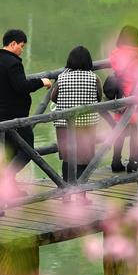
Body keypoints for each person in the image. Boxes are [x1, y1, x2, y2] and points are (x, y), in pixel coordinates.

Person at [0, 29, 52, 173]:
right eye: (21, 46)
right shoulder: (13, 63)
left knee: (7, 154)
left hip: (0, 114)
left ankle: (5, 189)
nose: (22, 50)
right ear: (13, 44)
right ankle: (7, 179)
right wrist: (42, 82)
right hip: (16, 117)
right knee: (27, 150)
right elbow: (22, 86)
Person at [52, 46, 101, 200]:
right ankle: (82, 196)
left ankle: (65, 195)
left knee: (68, 158)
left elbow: (54, 97)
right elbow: (99, 98)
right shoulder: (94, 78)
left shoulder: (62, 77)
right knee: (84, 160)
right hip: (86, 124)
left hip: (64, 125)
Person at [107, 25, 138, 172]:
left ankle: (116, 161)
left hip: (120, 95)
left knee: (120, 131)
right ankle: (133, 162)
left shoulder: (115, 54)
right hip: (135, 95)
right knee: (135, 131)